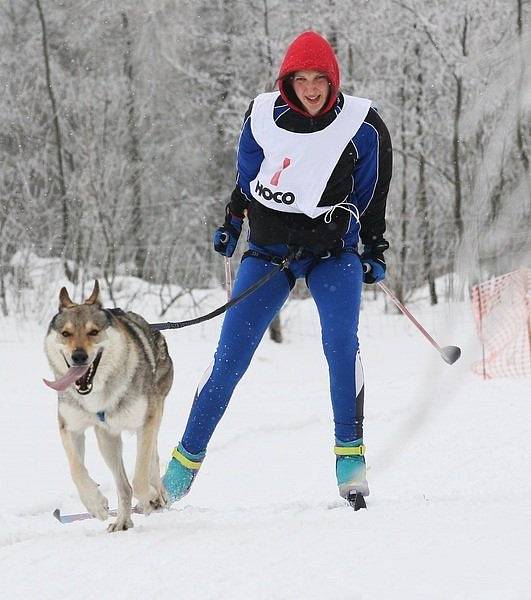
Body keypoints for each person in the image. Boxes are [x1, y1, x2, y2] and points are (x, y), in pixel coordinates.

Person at [162, 31, 392, 505]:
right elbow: (249, 178)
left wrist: (374, 248)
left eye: (319, 80)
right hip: (270, 251)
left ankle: (350, 457)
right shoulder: (262, 114)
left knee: (339, 346)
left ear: (334, 81)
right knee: (229, 359)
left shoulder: (363, 125)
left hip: (333, 254)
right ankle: (179, 470)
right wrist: (231, 219)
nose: (310, 89)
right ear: (287, 81)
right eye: (301, 80)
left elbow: (372, 195)